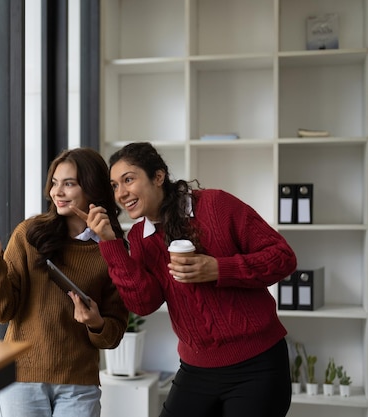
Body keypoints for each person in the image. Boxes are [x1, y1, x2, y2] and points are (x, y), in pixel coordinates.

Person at [75, 142, 298, 417]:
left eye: (129, 180)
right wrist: (110, 243)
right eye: (115, 185)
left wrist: (218, 269)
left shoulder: (216, 205)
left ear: (158, 177)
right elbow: (144, 303)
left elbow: (283, 258)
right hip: (196, 368)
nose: (121, 193)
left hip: (257, 364)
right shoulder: (138, 237)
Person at [0, 147, 129, 417]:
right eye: (55, 183)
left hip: (79, 384)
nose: (57, 192)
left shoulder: (112, 249)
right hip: (21, 377)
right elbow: (1, 312)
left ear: (92, 189)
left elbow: (113, 334)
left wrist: (95, 322)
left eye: (69, 184)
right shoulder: (29, 234)